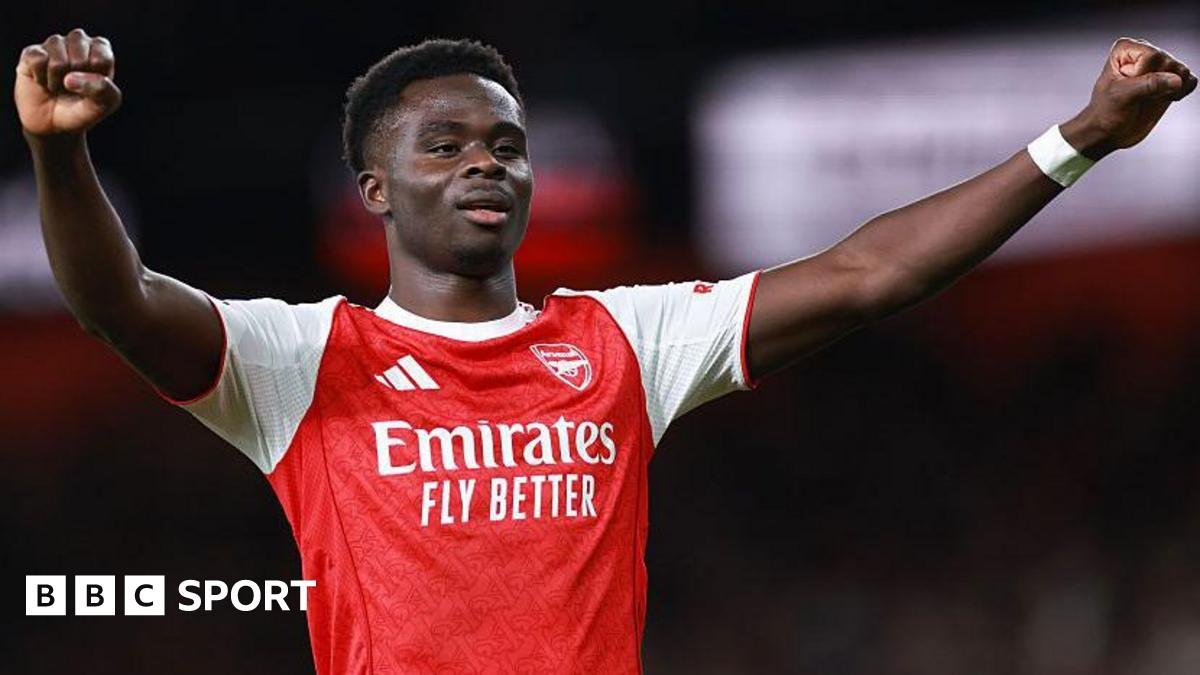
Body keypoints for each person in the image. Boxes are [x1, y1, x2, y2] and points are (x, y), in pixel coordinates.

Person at [15, 28, 1195, 674]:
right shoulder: (304, 359)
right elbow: (120, 303)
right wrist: (61, 155)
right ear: (375, 189)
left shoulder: (623, 338)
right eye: (445, 146)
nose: (487, 162)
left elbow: (868, 273)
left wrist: (1083, 137)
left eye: (506, 143)